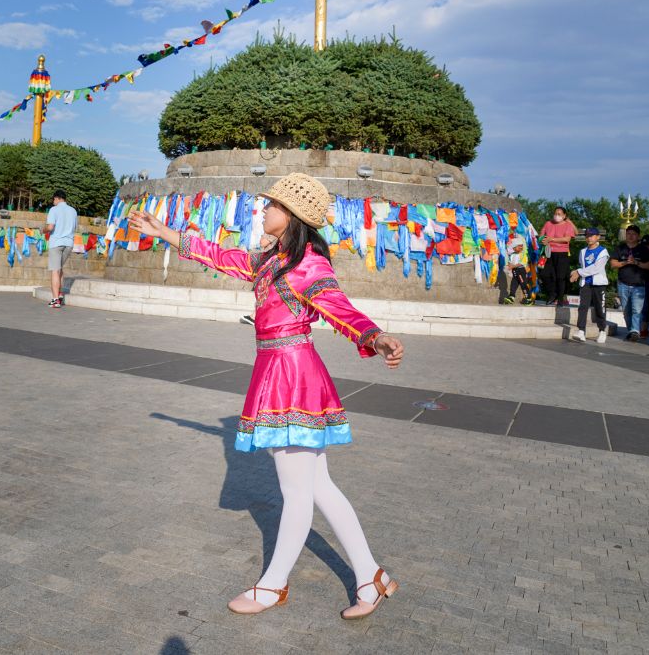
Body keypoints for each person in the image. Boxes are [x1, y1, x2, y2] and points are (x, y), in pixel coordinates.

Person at [129, 172, 406, 620]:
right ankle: (371, 576)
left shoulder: (308, 264)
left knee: (296, 491)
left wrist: (376, 338)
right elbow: (224, 257)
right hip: (278, 370)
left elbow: (340, 309)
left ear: (292, 216)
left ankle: (273, 585)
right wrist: (166, 233)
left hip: (293, 376)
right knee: (319, 487)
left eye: (272, 206)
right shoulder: (271, 260)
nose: (263, 211)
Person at [611, 224, 649, 340]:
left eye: (633, 234)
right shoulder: (620, 248)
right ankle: (632, 330)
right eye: (628, 234)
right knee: (626, 311)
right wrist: (625, 263)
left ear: (638, 236)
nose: (630, 236)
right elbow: (613, 264)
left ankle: (635, 331)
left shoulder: (643, 249)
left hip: (638, 285)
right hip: (623, 284)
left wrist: (636, 263)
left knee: (636, 310)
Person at [569, 228, 609, 343]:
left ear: (598, 237)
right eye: (587, 236)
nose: (589, 238)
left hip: (598, 284)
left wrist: (578, 272)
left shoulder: (603, 252)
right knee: (583, 307)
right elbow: (584, 266)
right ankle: (581, 331)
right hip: (586, 283)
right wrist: (578, 273)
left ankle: (602, 330)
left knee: (600, 308)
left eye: (592, 236)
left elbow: (597, 268)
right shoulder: (582, 251)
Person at [44, 190, 78, 309]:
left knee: (55, 270)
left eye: (53, 199)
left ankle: (55, 300)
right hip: (69, 243)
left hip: (57, 243)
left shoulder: (54, 210)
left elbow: (50, 227)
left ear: (57, 198)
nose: (53, 202)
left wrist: (43, 230)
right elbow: (74, 227)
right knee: (60, 269)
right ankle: (60, 294)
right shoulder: (73, 211)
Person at [539, 206, 578, 306]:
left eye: (559, 214)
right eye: (555, 213)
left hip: (562, 253)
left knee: (560, 277)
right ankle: (552, 293)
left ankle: (560, 298)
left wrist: (551, 239)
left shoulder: (567, 225)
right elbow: (541, 235)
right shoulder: (548, 223)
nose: (557, 216)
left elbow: (567, 239)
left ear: (564, 216)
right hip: (547, 253)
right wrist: (542, 239)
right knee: (544, 274)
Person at [502, 235, 531, 305]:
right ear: (514, 248)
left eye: (522, 246)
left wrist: (513, 266)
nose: (521, 247)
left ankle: (528, 298)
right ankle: (511, 296)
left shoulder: (523, 255)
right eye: (519, 246)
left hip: (521, 271)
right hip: (515, 272)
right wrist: (509, 265)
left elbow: (522, 263)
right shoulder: (512, 255)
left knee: (523, 284)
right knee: (513, 285)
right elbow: (510, 262)